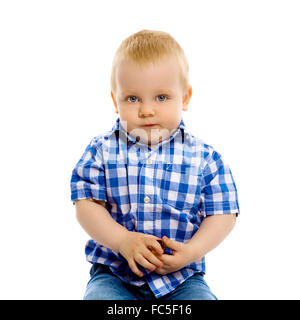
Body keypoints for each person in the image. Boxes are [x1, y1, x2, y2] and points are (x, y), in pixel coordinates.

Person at [70, 29, 240, 300]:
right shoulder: (101, 151)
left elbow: (223, 213)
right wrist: (122, 240)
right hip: (114, 275)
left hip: (181, 279)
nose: (146, 110)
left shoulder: (204, 158)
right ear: (115, 100)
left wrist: (193, 251)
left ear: (184, 98)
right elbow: (86, 205)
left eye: (161, 97)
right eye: (132, 98)